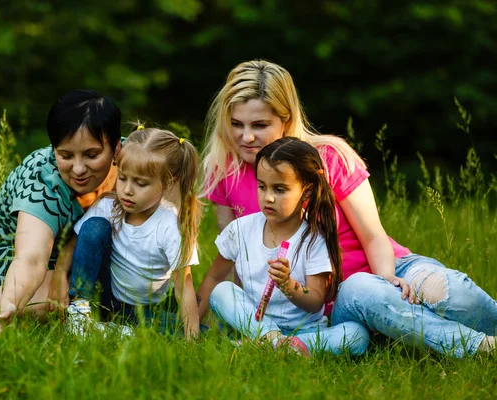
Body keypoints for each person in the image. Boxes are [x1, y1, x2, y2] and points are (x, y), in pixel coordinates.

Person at [196, 59, 497, 357]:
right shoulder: (226, 171)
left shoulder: (329, 156)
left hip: (389, 267)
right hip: (335, 299)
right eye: (237, 124)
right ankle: (479, 349)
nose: (246, 137)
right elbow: (239, 261)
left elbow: (373, 235)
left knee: (451, 292)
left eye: (259, 125)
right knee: (363, 290)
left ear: (285, 120)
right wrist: (224, 319)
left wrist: (387, 278)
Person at [0, 90, 121, 333]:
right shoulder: (43, 183)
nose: (79, 168)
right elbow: (30, 259)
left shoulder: (132, 162)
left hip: (66, 258)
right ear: (54, 148)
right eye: (66, 155)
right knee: (83, 286)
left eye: (91, 155)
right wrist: (11, 304)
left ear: (116, 149)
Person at [205, 137, 369, 355]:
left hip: (306, 331)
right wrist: (192, 327)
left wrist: (288, 284)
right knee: (222, 291)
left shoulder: (313, 238)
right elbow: (214, 279)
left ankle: (281, 346)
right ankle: (273, 341)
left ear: (306, 192)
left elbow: (314, 301)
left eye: (280, 189)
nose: (268, 197)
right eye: (262, 187)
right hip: (258, 323)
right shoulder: (240, 230)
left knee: (357, 334)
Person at [67, 127, 202, 341]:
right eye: (122, 178)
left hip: (141, 309)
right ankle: (79, 313)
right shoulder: (107, 205)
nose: (128, 190)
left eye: (140, 183)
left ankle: (114, 329)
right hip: (101, 295)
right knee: (94, 226)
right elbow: (74, 248)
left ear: (167, 183)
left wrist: (192, 341)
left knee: (195, 332)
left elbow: (184, 287)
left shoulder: (170, 224)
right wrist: (57, 287)